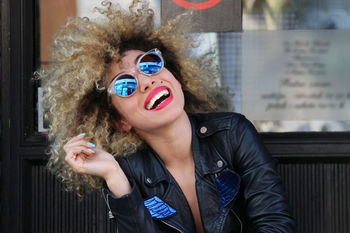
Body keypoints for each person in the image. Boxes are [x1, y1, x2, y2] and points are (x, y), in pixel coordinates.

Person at [38, 1, 295, 232]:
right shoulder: (127, 171)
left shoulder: (233, 134)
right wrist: (115, 178)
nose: (146, 82)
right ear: (119, 120)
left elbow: (275, 225)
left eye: (149, 64)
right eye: (125, 85)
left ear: (175, 76)